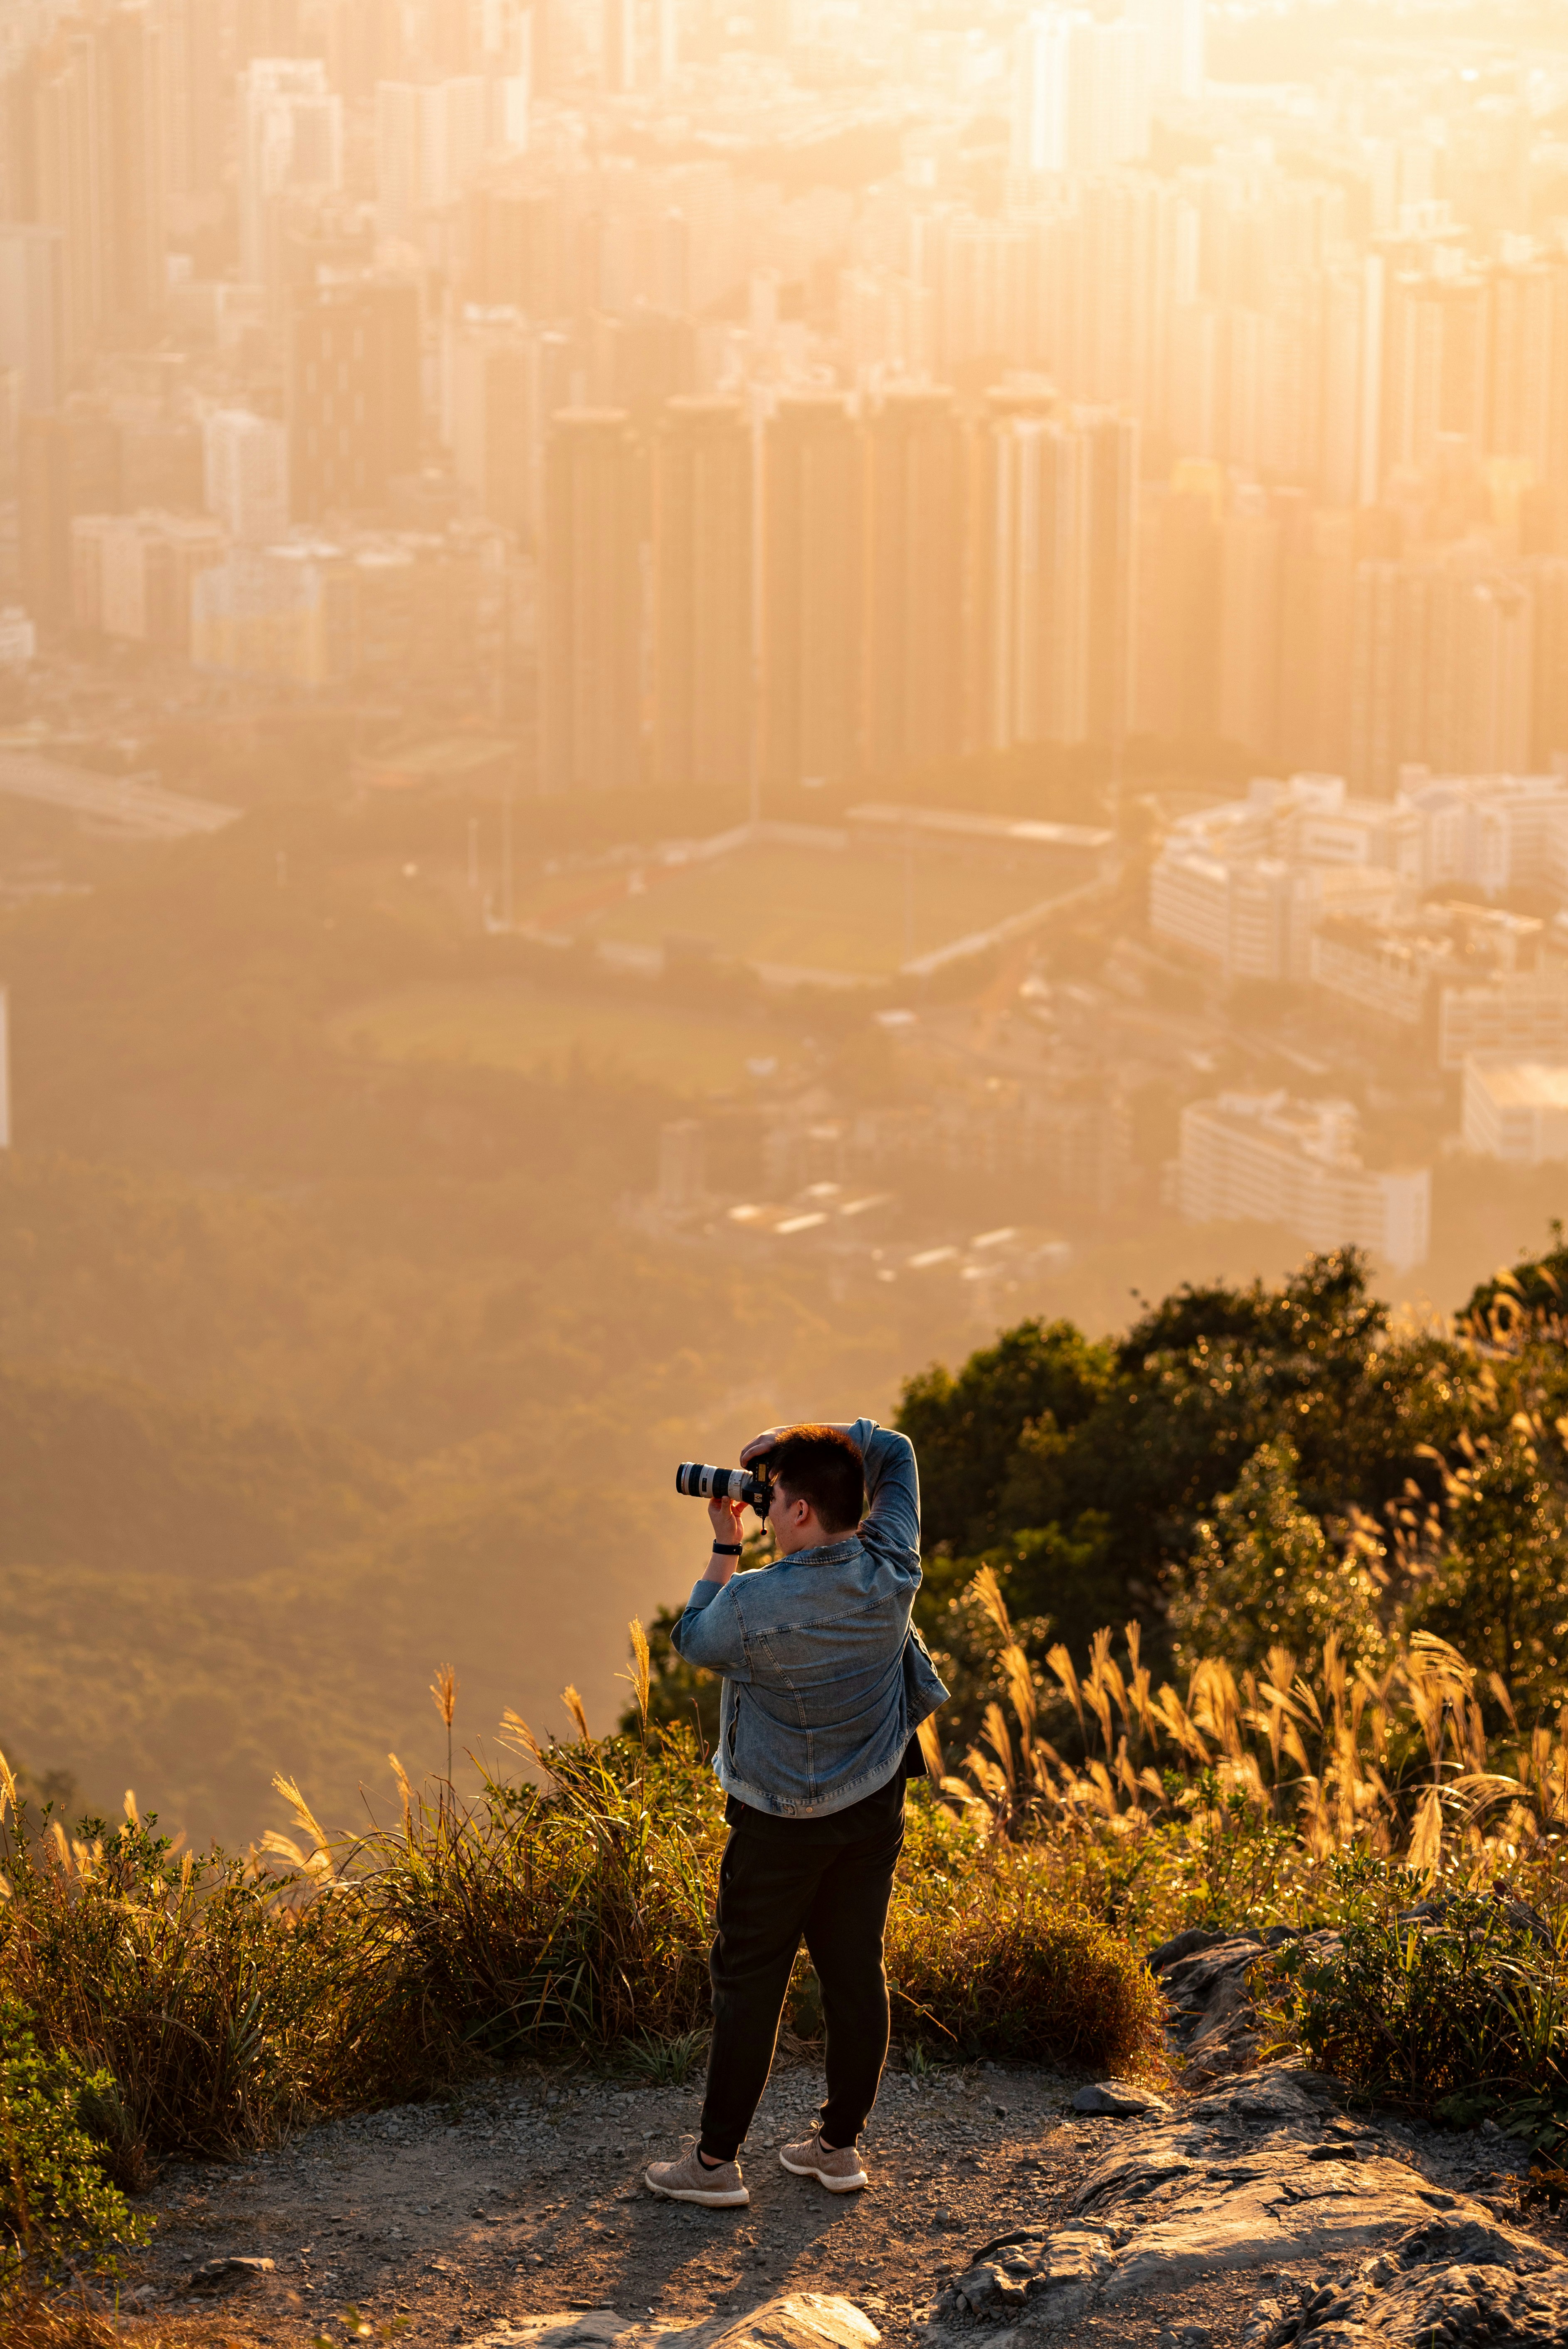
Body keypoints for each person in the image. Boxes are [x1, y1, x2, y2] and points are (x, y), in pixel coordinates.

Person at [643, 1418, 946, 2210]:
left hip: (777, 1820)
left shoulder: (750, 1604)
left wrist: (725, 1545)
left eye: (773, 1499)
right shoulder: (892, 1564)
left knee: (750, 1980)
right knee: (854, 1968)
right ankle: (838, 2149)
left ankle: (714, 2166)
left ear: (803, 1513)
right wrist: (800, 1435)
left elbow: (693, 1639)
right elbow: (897, 1452)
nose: (763, 1507)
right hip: (873, 1800)